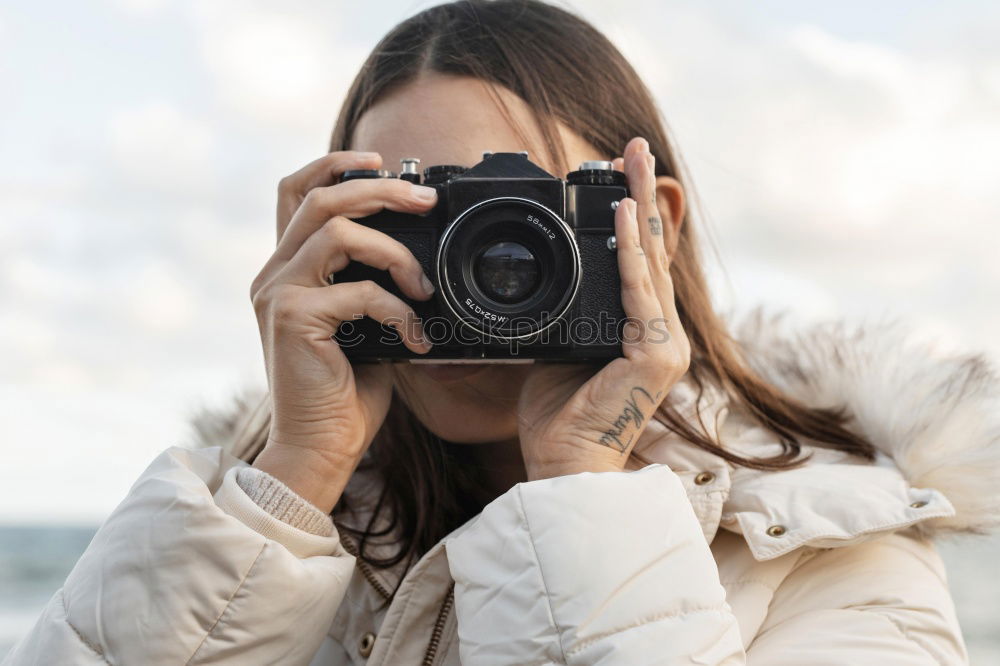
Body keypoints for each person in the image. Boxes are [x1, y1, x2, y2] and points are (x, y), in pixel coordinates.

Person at [6, 1, 998, 664]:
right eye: (421, 217)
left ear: (648, 222)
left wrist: (581, 487)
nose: (476, 268)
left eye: (528, 219)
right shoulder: (277, 531)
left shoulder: (842, 554)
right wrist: (288, 482)